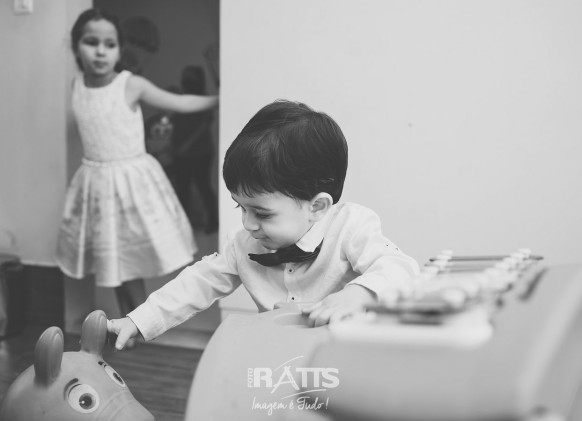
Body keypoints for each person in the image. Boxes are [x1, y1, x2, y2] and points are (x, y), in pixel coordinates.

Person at [107, 100, 419, 350]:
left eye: (262, 213)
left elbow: (400, 266)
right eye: (240, 207)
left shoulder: (351, 226)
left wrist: (359, 294)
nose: (247, 223)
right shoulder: (244, 244)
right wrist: (139, 320)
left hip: (346, 360)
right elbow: (197, 282)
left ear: (316, 206)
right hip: (278, 360)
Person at [55, 8, 219, 320]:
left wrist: (222, 99)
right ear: (76, 45)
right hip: (96, 187)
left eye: (110, 44)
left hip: (131, 185)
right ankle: (128, 325)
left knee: (130, 263)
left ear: (119, 50)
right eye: (91, 42)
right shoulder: (77, 85)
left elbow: (181, 103)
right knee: (114, 265)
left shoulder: (130, 84)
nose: (101, 51)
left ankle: (140, 323)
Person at [171, 65, 219, 233]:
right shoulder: (180, 98)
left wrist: (187, 144)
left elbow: (204, 125)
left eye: (189, 77)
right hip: (180, 152)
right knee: (182, 189)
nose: (185, 80)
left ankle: (213, 222)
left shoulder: (203, 100)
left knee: (203, 186)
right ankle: (183, 226)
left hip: (201, 152)